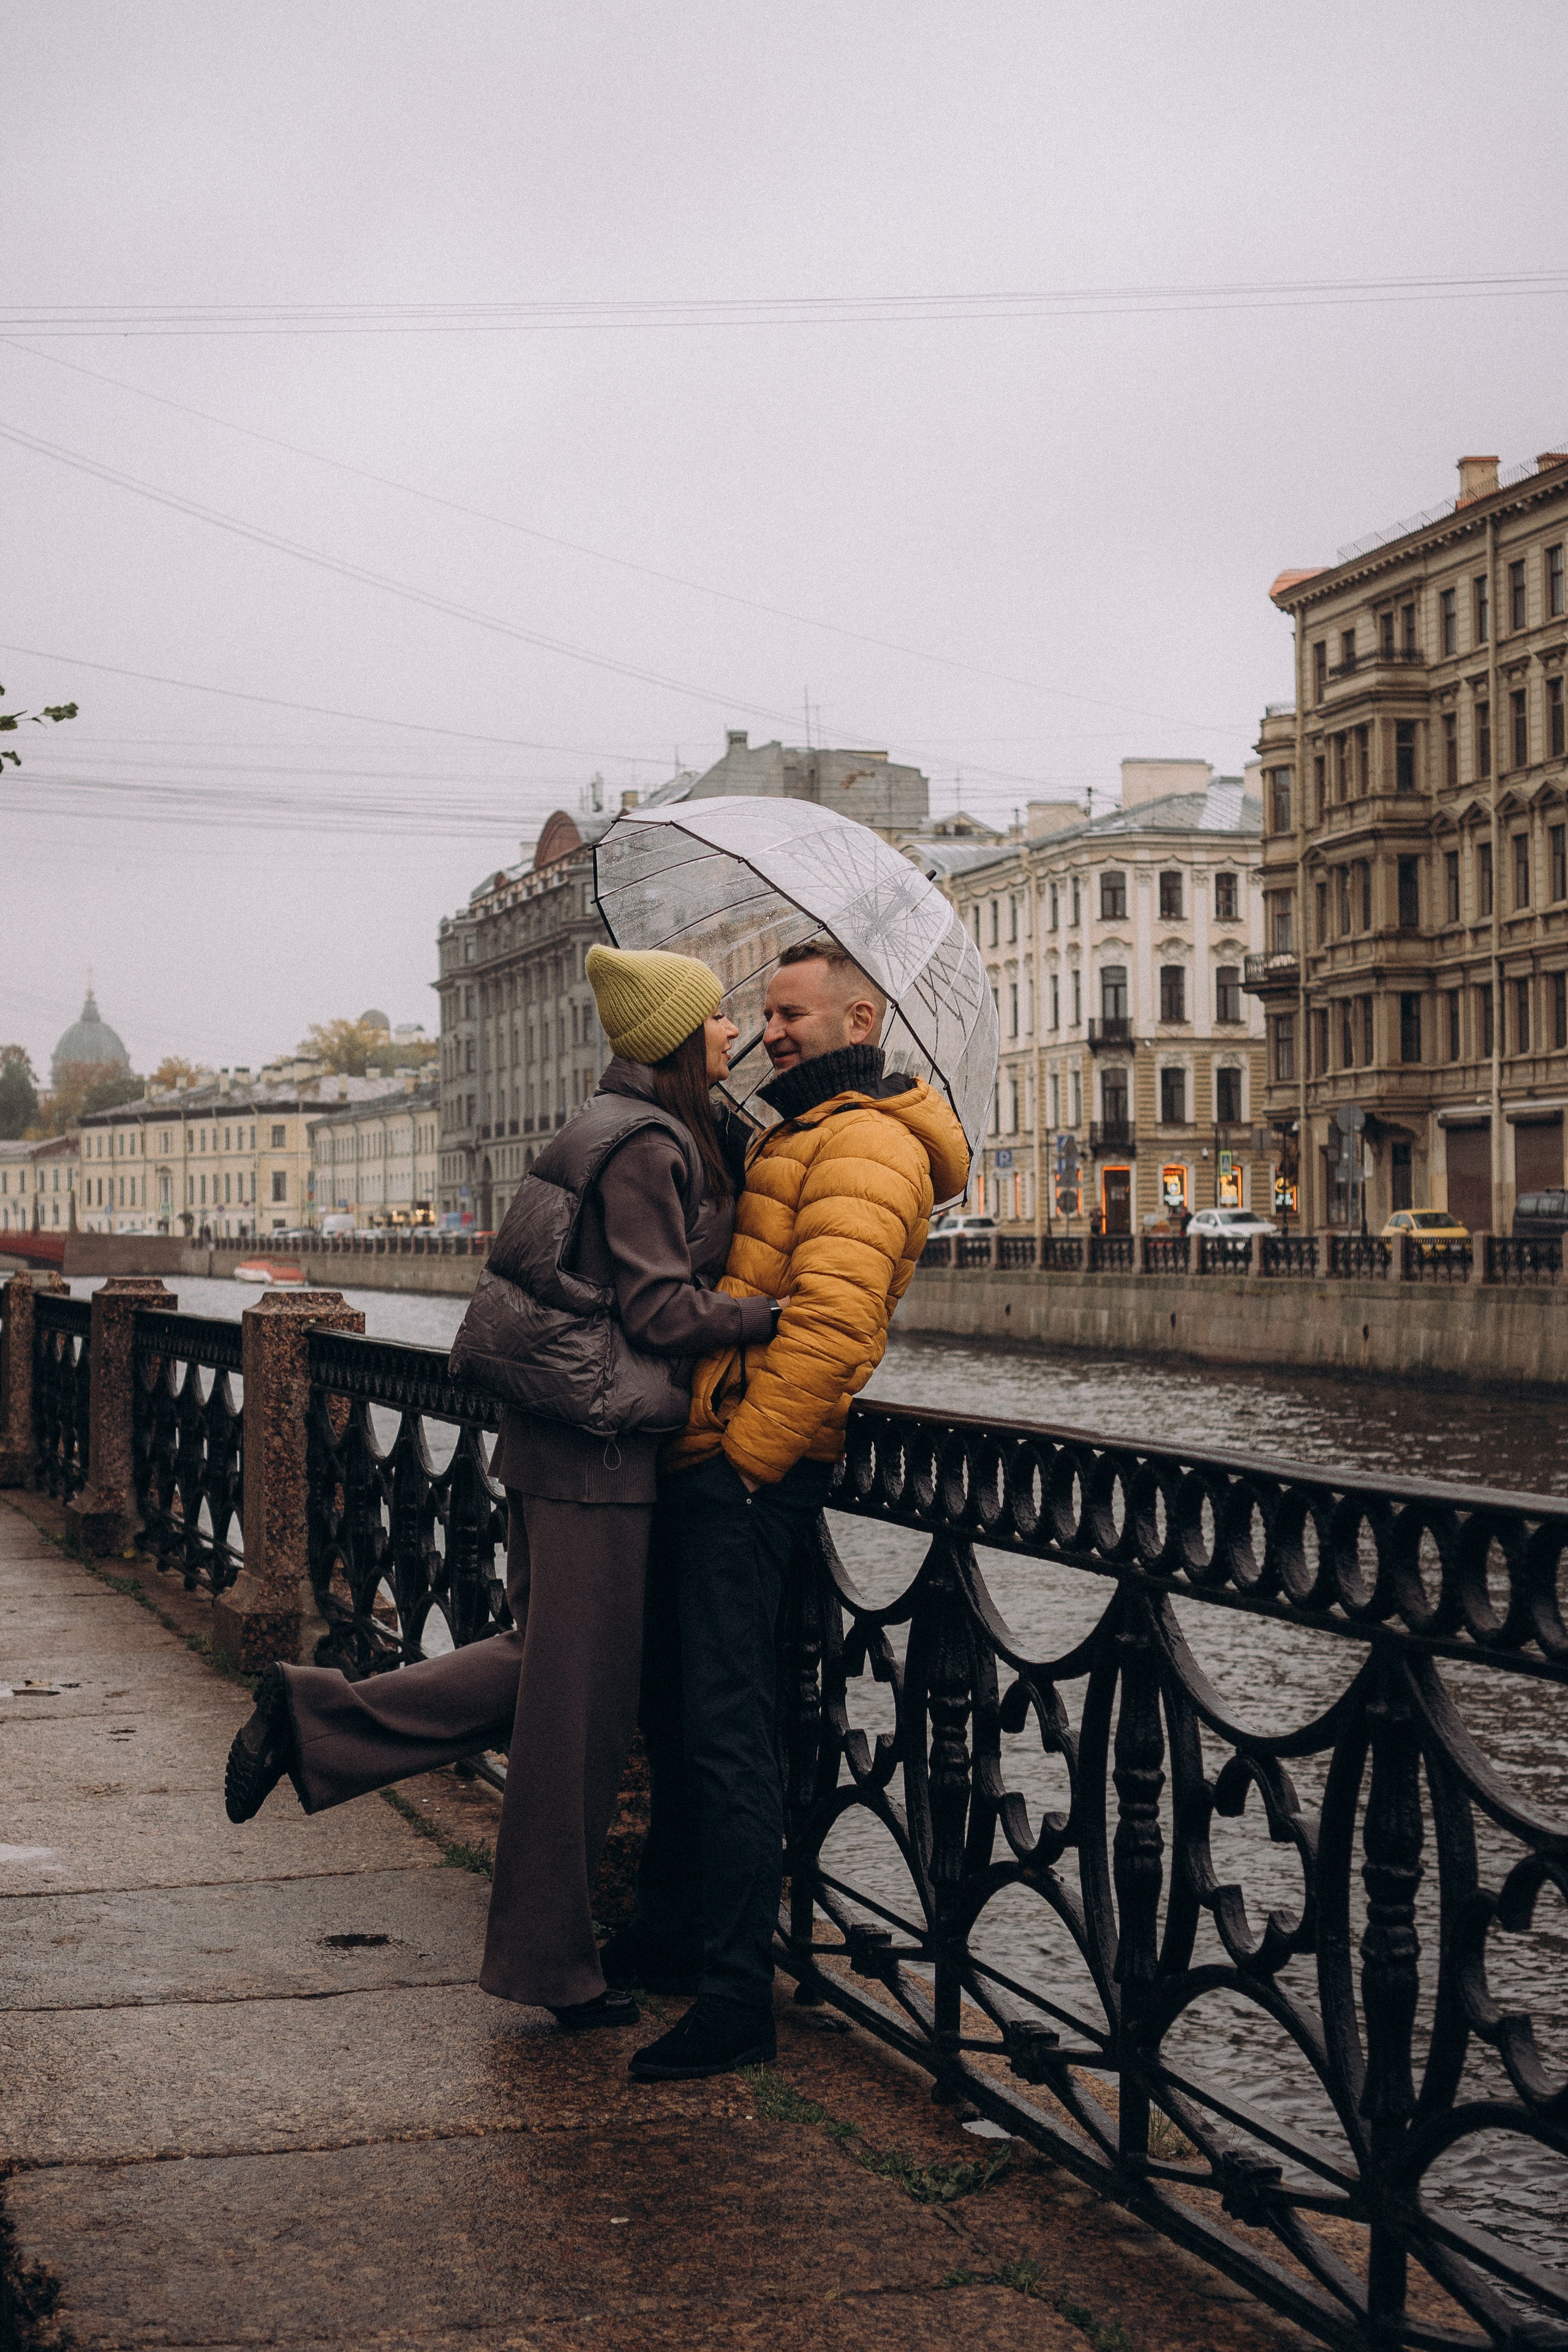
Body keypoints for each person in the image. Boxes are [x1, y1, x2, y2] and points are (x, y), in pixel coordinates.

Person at [223, 945, 778, 2033]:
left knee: (551, 1675)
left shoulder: (607, 1123)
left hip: (559, 1440)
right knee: (579, 1714)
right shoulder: (648, 1144)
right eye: (718, 1021)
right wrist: (770, 1313)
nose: (735, 1035)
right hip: (597, 1453)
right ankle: (547, 1964)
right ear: (675, 1036)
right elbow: (662, 1313)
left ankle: (314, 1721)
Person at [604, 937, 971, 2081]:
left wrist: (742, 1463)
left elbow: (829, 1331)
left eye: (793, 1015)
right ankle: (671, 1941)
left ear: (860, 1021)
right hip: (715, 1460)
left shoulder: (868, 1144)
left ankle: (733, 2000)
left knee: (727, 1732)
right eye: (764, 1015)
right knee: (679, 1712)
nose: (771, 1033)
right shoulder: (803, 1132)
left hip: (746, 1476)